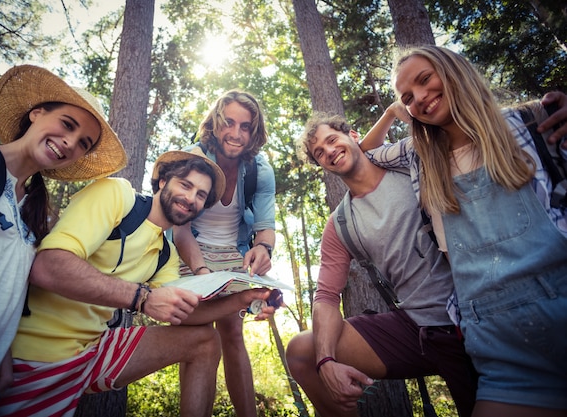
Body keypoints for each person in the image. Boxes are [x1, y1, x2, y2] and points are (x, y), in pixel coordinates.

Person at [0, 146, 276, 417]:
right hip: (35, 353)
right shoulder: (117, 194)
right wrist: (142, 298)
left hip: (93, 350)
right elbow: (48, 266)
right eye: (185, 185)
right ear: (163, 181)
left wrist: (244, 299)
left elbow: (184, 313)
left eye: (201, 195)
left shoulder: (166, 255)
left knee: (205, 339)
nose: (191, 198)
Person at [364, 45, 567, 417]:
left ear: (453, 70)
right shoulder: (419, 157)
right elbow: (365, 152)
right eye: (408, 97)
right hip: (499, 351)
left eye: (425, 80)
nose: (420, 98)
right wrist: (394, 113)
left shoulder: (531, 123)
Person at [0, 64, 127, 416]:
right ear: (36, 113)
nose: (70, 142)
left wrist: (0, 348)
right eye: (67, 125)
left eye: (83, 143)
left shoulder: (38, 212)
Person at [285, 111, 478, 417]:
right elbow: (325, 297)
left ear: (354, 136)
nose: (329, 151)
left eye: (332, 140)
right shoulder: (340, 224)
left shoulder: (407, 165)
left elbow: (467, 135)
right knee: (301, 352)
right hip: (419, 330)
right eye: (319, 153)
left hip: (480, 312)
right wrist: (326, 361)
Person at [172, 90, 276, 417]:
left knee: (232, 333)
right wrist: (203, 275)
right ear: (215, 124)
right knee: (197, 337)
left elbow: (265, 226)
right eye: (229, 123)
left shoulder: (260, 169)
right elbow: (179, 227)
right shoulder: (191, 158)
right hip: (191, 250)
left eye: (246, 127)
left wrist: (263, 247)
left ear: (254, 132)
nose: (236, 133)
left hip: (233, 251)